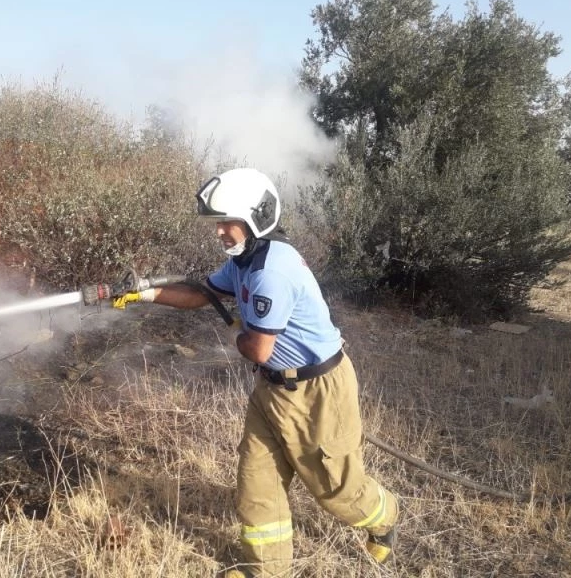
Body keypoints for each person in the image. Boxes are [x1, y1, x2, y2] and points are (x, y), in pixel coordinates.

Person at [116, 168, 398, 577]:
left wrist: (238, 335)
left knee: (336, 490)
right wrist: (144, 293)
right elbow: (203, 294)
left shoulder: (271, 272)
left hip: (317, 390)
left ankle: (386, 519)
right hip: (273, 387)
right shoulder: (246, 260)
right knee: (256, 482)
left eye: (225, 222)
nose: (218, 232)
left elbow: (257, 348)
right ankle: (265, 570)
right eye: (217, 223)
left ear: (254, 219)